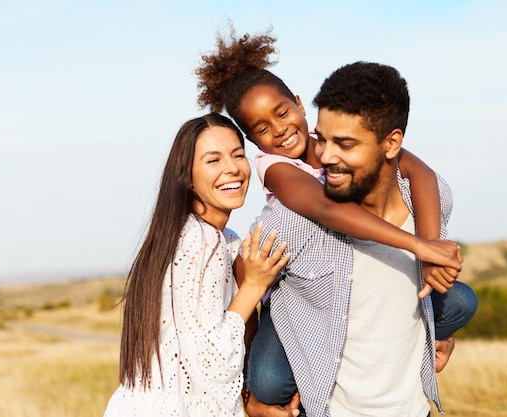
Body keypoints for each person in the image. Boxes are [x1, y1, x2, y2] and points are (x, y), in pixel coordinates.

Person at [196, 28, 477, 416]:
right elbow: (326, 209)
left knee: (461, 300)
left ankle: (432, 336)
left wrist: (431, 251)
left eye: (282, 113)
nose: (278, 130)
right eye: (261, 129)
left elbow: (420, 172)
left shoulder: (332, 137)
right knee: (269, 382)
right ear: (253, 143)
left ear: (298, 103)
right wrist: (414, 245)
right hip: (295, 288)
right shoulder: (275, 167)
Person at [102, 113, 290, 417]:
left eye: (238, 155)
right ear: (188, 178)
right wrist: (254, 285)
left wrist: (249, 399)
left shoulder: (206, 237)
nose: (232, 168)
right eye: (213, 160)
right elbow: (212, 360)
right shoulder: (201, 241)